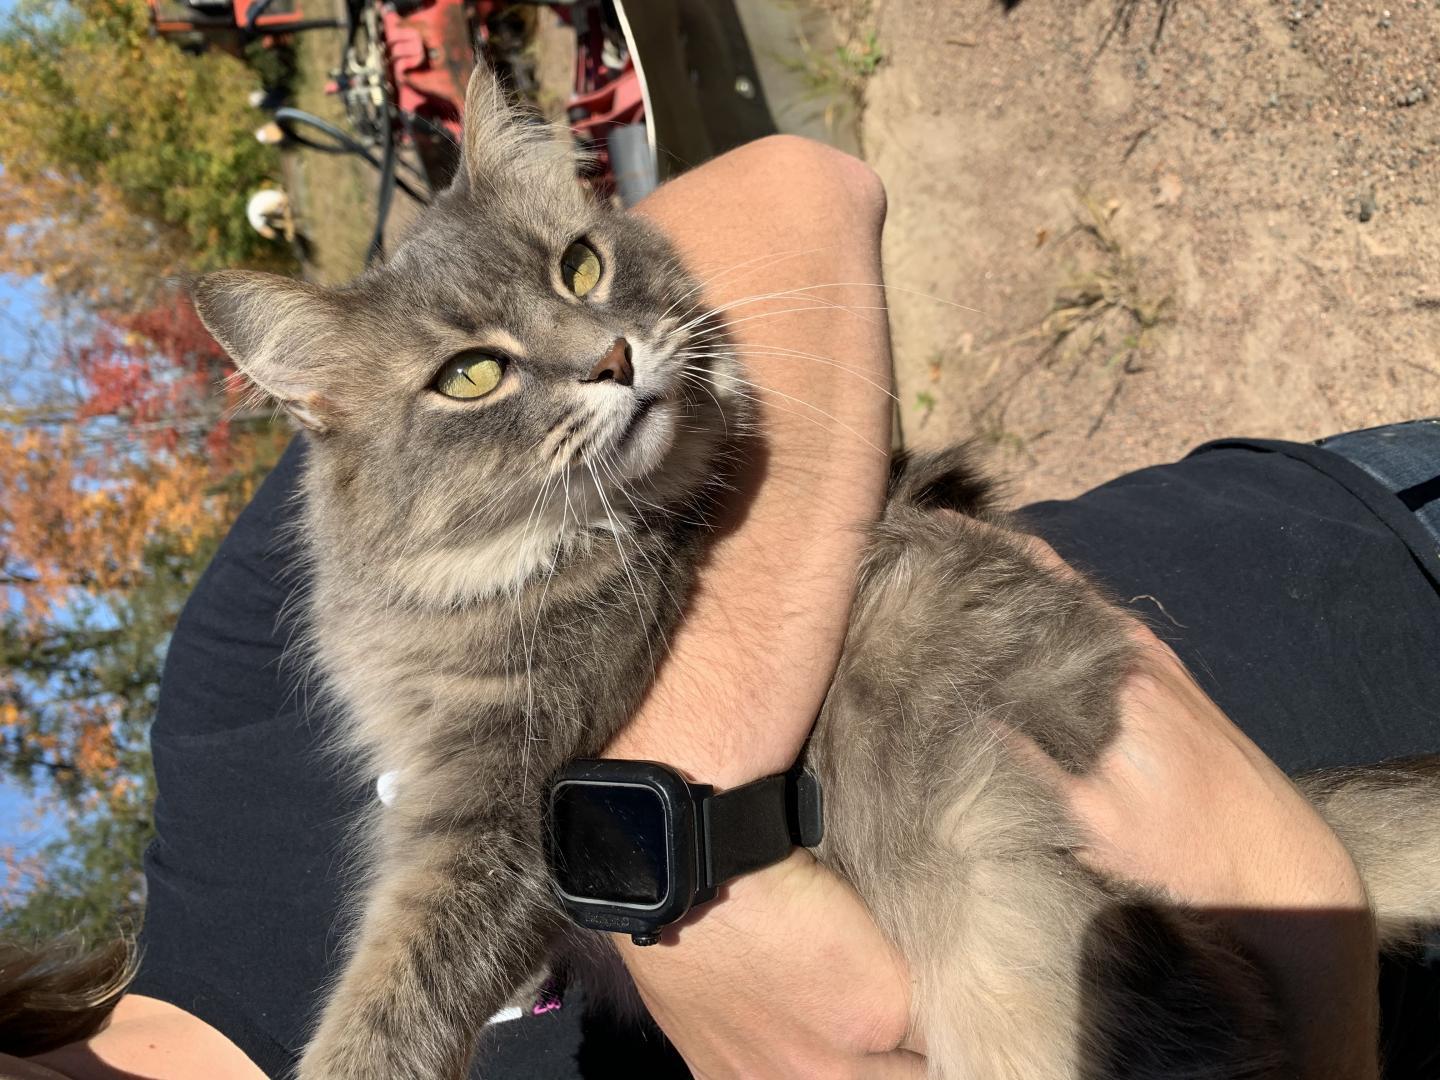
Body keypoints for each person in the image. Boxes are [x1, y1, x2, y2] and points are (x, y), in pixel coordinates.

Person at [5, 135, 1438, 1080]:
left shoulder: (221, 710)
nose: (594, 352)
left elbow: (796, 194)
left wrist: (671, 840)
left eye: (576, 285)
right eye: (477, 375)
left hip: (1353, 584)